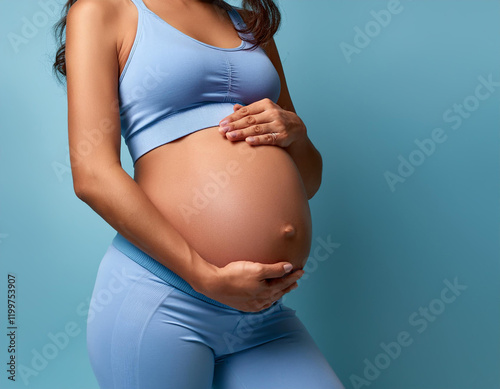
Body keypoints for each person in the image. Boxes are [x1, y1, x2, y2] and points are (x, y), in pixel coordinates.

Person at [53, 0, 345, 387]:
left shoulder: (249, 26)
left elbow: (307, 182)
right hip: (164, 300)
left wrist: (297, 134)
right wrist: (202, 276)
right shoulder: (103, 11)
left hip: (260, 314)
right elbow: (92, 174)